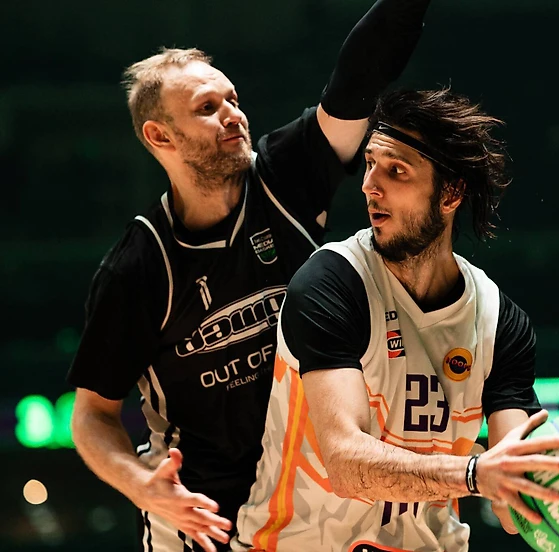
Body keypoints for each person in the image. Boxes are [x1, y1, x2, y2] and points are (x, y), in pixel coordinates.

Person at [66, 2, 435, 551]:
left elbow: (356, 81)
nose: (233, 115)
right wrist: (143, 485)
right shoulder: (137, 268)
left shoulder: (284, 176)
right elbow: (92, 416)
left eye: (233, 100)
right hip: (203, 518)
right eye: (207, 107)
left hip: (311, 506)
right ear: (161, 136)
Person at [232, 88, 559, 551]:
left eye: (396, 170)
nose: (369, 185)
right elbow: (346, 465)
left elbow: (513, 500)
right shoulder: (332, 282)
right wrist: (475, 473)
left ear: (451, 193)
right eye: (370, 163)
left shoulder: (499, 322)